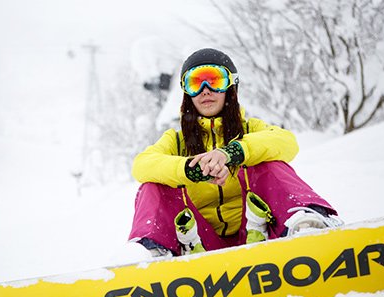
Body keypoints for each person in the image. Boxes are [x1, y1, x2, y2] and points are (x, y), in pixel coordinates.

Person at [130, 47, 340, 256]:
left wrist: (232, 153)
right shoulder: (176, 141)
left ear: (231, 87)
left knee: (271, 164)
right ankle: (153, 250)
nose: (205, 90)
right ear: (187, 93)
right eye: (195, 83)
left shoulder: (249, 128)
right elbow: (142, 165)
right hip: (200, 242)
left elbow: (287, 142)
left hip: (256, 232)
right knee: (153, 184)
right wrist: (190, 168)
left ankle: (305, 225)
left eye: (215, 81)